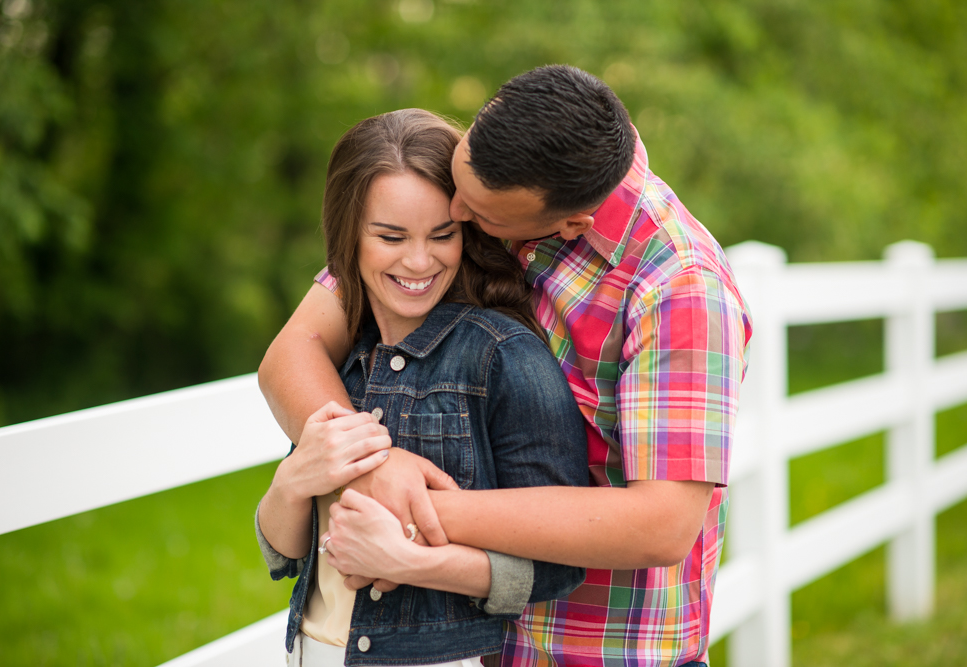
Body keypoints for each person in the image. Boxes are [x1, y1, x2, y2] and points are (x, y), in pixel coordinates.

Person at [260, 66, 753, 666]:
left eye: (477, 216)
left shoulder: (680, 288)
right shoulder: (492, 178)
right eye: (458, 181)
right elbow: (295, 348)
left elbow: (662, 525)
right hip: (462, 645)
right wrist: (373, 464)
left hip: (590, 647)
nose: (457, 211)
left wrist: (409, 508)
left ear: (569, 224)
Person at [255, 108, 589, 667]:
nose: (418, 260)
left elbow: (557, 567)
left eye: (442, 235)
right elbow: (285, 553)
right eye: (390, 236)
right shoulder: (344, 366)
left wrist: (413, 563)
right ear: (346, 241)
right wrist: (292, 480)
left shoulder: (504, 358)